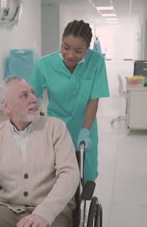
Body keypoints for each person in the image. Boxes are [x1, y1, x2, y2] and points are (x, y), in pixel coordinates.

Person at [0, 75, 79, 227]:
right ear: (6, 106)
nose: (34, 99)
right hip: (9, 210)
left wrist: (44, 213)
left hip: (53, 211)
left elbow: (70, 174)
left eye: (33, 92)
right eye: (24, 95)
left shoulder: (56, 128)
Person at [30, 20, 109, 182]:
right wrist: (32, 122)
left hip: (85, 127)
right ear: (61, 43)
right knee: (55, 176)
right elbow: (31, 97)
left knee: (86, 176)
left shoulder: (96, 62)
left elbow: (93, 100)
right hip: (55, 129)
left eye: (79, 51)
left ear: (88, 49)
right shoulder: (45, 65)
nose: (71, 55)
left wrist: (86, 131)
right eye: (66, 47)